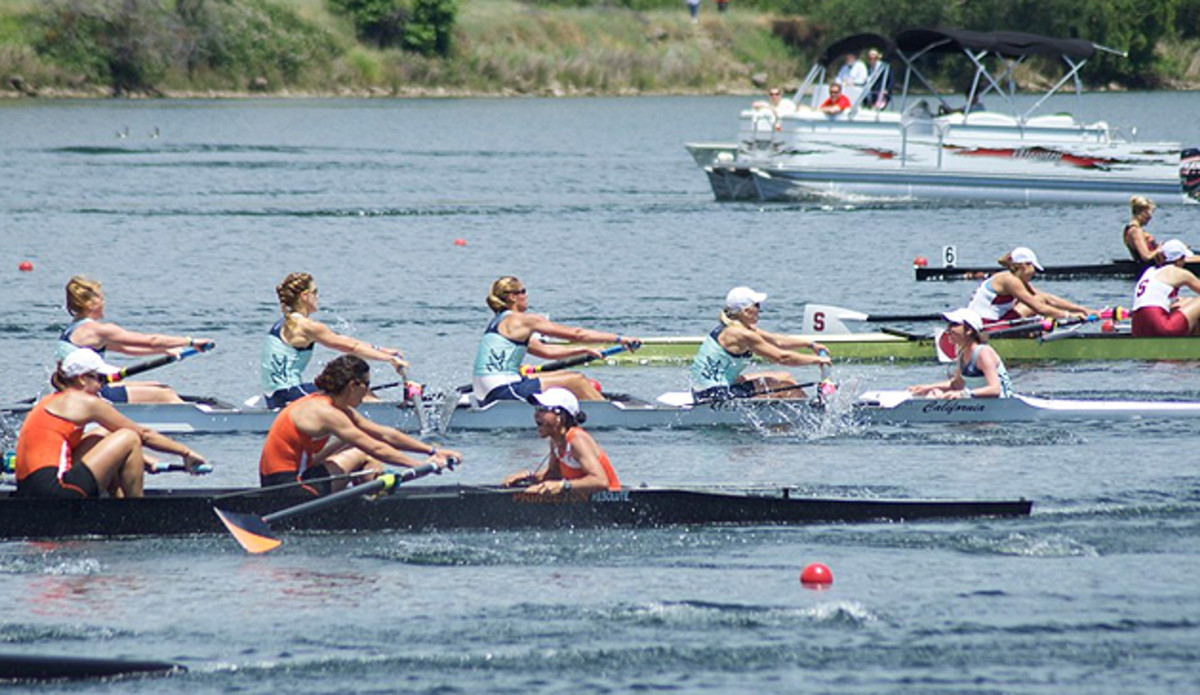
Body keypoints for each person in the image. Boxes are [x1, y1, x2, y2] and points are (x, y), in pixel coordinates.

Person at [14, 349, 209, 498]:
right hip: (57, 491)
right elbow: (143, 434)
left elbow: (89, 446)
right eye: (100, 379)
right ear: (82, 379)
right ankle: (136, 513)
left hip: (28, 490)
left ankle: (117, 503)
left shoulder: (51, 400)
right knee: (129, 438)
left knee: (102, 433)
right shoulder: (86, 402)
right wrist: (186, 453)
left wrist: (145, 459)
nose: (103, 385)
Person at [259, 355, 460, 496]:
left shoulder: (332, 405)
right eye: (367, 385)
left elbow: (384, 434)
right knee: (364, 452)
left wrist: (431, 451)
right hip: (288, 490)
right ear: (352, 386)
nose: (368, 392)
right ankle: (375, 498)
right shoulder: (327, 413)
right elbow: (375, 447)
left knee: (350, 445)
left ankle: (372, 490)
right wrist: (419, 466)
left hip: (289, 480)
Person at [473, 276, 640, 404]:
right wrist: (620, 339)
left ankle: (586, 407)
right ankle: (609, 415)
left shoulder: (500, 322)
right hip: (502, 388)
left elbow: (546, 351)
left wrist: (582, 350)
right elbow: (577, 334)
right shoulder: (522, 320)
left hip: (485, 389)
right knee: (577, 380)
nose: (527, 295)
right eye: (523, 291)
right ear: (512, 297)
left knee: (565, 375)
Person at [56, 276, 213, 404]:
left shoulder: (73, 329)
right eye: (102, 299)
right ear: (90, 304)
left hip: (79, 387)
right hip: (93, 393)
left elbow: (126, 349)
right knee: (165, 394)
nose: (104, 303)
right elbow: (151, 340)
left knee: (159, 385)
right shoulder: (98, 330)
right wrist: (191, 342)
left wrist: (165, 350)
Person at [262, 272, 409, 409]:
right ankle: (387, 415)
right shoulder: (307, 326)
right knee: (356, 389)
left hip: (275, 395)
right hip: (289, 395)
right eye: (315, 292)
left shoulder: (286, 323)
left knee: (353, 387)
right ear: (305, 296)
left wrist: (382, 350)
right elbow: (351, 348)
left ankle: (381, 410)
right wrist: (390, 359)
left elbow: (344, 340)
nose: (318, 297)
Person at [689, 286, 832, 401]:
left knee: (785, 377)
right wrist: (817, 360)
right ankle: (810, 416)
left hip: (708, 386)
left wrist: (810, 344)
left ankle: (800, 410)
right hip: (713, 394)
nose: (760, 309)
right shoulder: (742, 334)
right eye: (756, 305)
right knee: (786, 386)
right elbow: (782, 358)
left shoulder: (738, 327)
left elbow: (777, 341)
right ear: (745, 311)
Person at [501, 388, 619, 495]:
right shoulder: (555, 441)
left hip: (611, 501)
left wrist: (563, 486)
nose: (537, 414)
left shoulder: (577, 439)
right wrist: (528, 477)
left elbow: (601, 481)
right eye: (537, 408)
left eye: (543, 409)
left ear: (560, 417)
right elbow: (554, 474)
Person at [966, 247, 1094, 324]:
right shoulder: (1010, 280)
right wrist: (1069, 316)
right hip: (986, 326)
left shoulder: (1015, 279)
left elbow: (1047, 298)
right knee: (1036, 305)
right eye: (1033, 267)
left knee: (1039, 299)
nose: (1034, 272)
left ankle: (1032, 332)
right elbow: (1039, 308)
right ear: (1024, 265)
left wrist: (1082, 309)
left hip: (991, 322)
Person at [908, 308, 1014, 400]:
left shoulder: (983, 353)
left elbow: (995, 389)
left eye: (954, 324)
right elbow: (957, 384)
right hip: (980, 406)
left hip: (1002, 405)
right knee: (935, 393)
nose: (948, 329)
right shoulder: (962, 352)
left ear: (968, 330)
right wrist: (926, 388)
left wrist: (963, 394)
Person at [1131, 240, 1200, 337]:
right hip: (1161, 327)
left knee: (1186, 301)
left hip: (1137, 329)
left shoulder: (1150, 271)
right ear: (1180, 259)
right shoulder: (1178, 272)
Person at [1123, 195, 1159, 264]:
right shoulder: (1135, 231)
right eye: (1148, 213)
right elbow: (1146, 257)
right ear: (1140, 212)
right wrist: (1159, 249)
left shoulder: (1131, 228)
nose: (1150, 217)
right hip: (1146, 267)